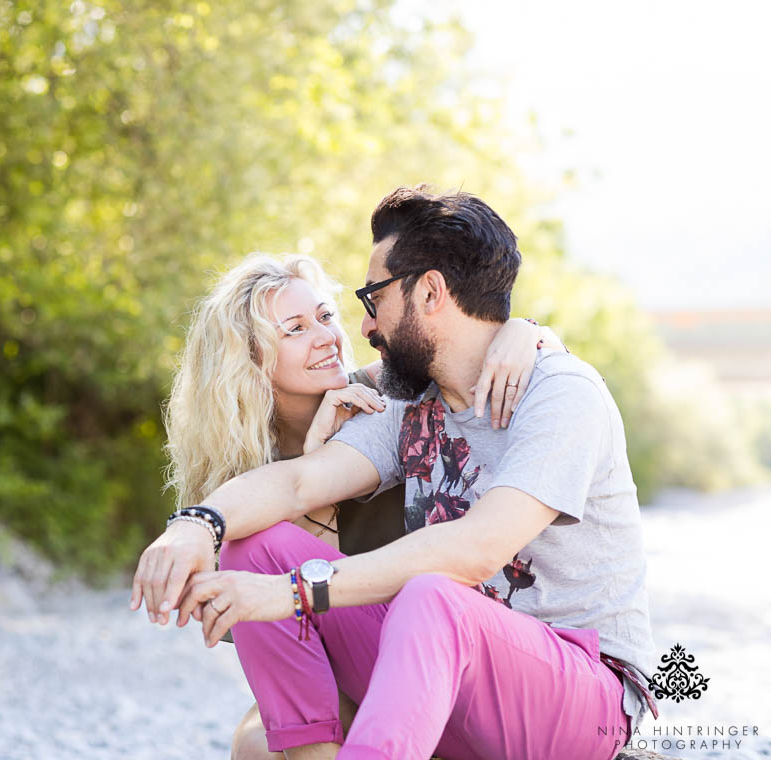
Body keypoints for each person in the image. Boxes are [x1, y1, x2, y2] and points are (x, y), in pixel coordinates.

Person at [131, 187, 657, 760]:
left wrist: (293, 592)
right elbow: (295, 484)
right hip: (437, 677)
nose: (361, 326)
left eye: (372, 297)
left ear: (429, 291)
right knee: (255, 544)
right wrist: (197, 523)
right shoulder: (402, 402)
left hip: (581, 701)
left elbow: (476, 549)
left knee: (433, 593)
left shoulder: (560, 394)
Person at [157, 251, 563, 759]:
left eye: (326, 317)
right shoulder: (239, 486)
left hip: (437, 651)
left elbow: (478, 351)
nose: (327, 336)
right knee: (256, 746)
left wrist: (524, 332)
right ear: (251, 357)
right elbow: (286, 656)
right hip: (342, 672)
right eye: (296, 328)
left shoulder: (385, 394)